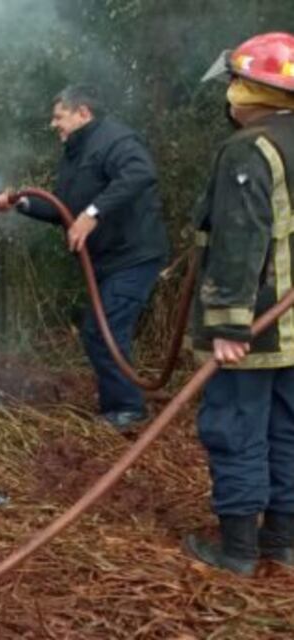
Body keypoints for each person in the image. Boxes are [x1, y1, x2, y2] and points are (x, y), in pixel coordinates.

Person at [0, 85, 169, 431]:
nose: (54, 124)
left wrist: (93, 213)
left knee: (105, 330)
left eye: (59, 117)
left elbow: (140, 173)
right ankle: (117, 407)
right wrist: (19, 203)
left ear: (83, 113)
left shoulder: (113, 140)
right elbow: (62, 209)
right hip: (107, 262)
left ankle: (128, 411)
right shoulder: (75, 154)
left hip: (132, 257)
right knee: (97, 330)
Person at [183, 31, 294, 576]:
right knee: (287, 427)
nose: (230, 93)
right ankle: (283, 542)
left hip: (258, 323)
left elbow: (239, 237)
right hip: (292, 328)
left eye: (236, 82)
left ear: (256, 89)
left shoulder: (249, 150)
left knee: (235, 425)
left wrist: (229, 322)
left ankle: (238, 551)